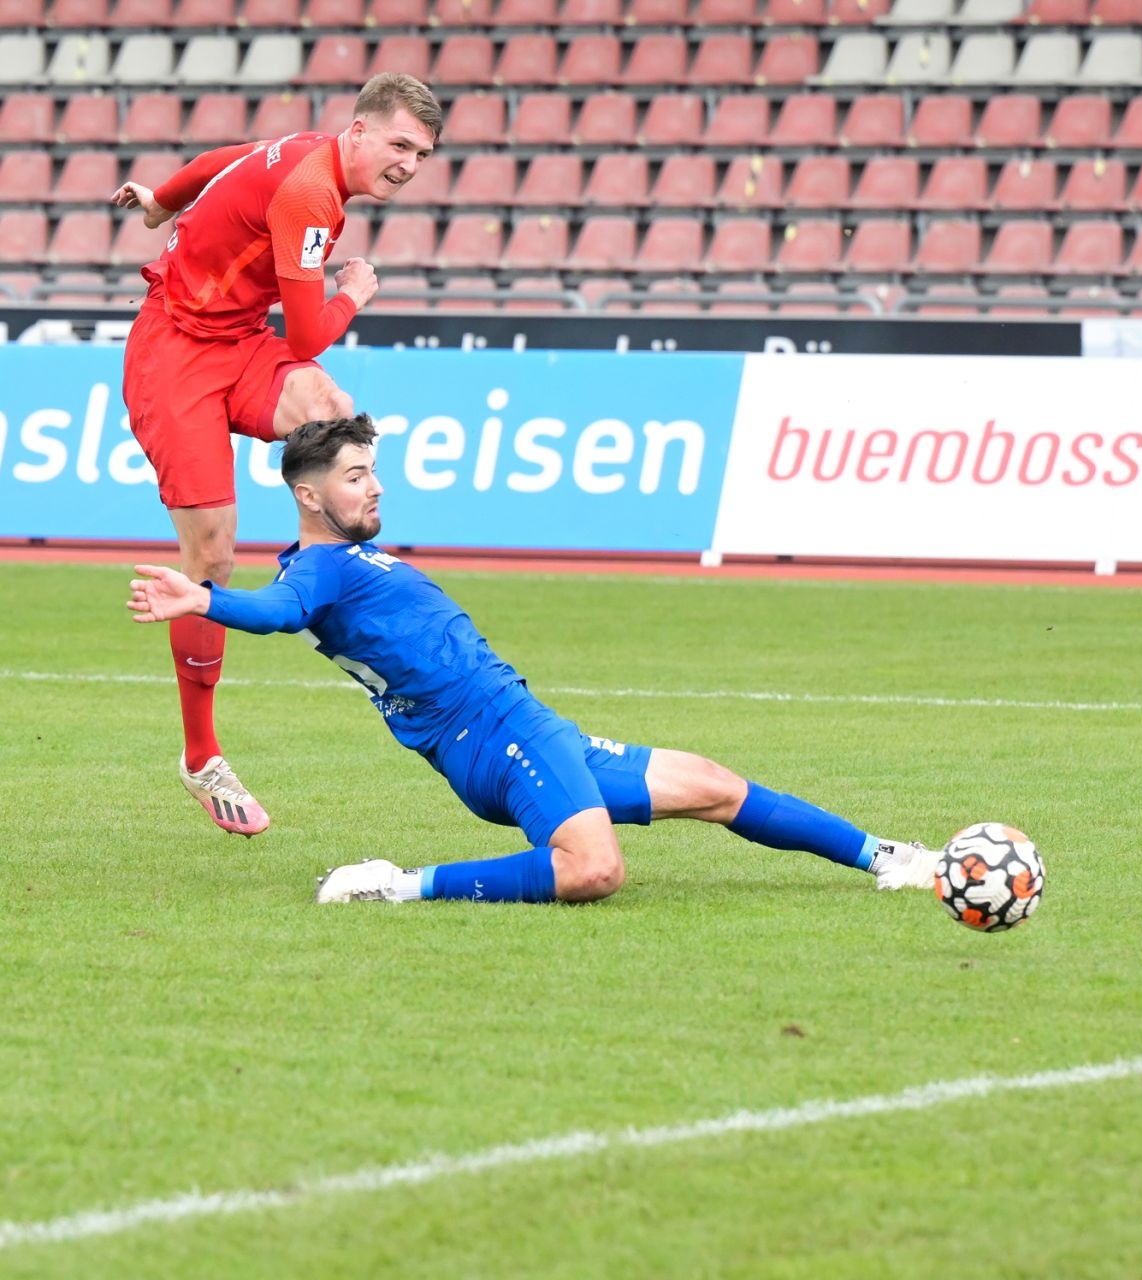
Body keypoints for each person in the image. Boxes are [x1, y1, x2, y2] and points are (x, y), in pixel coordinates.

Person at [124, 415, 946, 904]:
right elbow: (276, 613)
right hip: (496, 733)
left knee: (714, 786)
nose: (374, 486)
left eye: (373, 471)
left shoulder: (342, 560)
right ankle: (397, 884)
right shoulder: (318, 570)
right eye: (355, 476)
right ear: (308, 496)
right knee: (594, 871)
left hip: (516, 725)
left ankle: (891, 860)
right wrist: (205, 599)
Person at [111, 73, 442, 839]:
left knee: (333, 412)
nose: (408, 165)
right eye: (399, 145)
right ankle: (202, 756)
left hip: (237, 342)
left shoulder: (309, 154)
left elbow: (220, 161)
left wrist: (161, 201)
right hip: (174, 354)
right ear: (358, 132)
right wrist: (354, 292)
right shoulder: (311, 195)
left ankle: (330, 578)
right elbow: (307, 333)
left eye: (422, 154)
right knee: (213, 552)